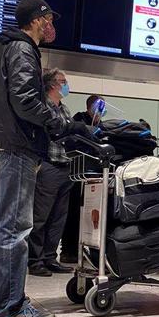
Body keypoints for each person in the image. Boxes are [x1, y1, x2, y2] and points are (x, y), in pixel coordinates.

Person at [0, 0, 92, 317]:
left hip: (7, 143)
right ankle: (11, 305)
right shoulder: (23, 49)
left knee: (1, 225)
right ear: (36, 21)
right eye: (47, 19)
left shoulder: (10, 49)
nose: (51, 24)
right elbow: (26, 101)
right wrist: (61, 123)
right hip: (18, 145)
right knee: (15, 226)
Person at [28, 68, 77, 277]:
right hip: (48, 164)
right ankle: (35, 259)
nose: (66, 84)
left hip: (66, 165)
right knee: (41, 215)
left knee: (59, 216)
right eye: (62, 81)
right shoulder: (42, 107)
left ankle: (50, 256)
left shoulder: (65, 109)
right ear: (51, 84)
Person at [61, 94, 106, 264]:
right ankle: (68, 249)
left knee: (90, 215)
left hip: (94, 174)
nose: (101, 110)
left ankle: (88, 249)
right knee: (73, 213)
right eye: (99, 106)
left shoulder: (101, 125)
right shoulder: (79, 120)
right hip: (78, 172)